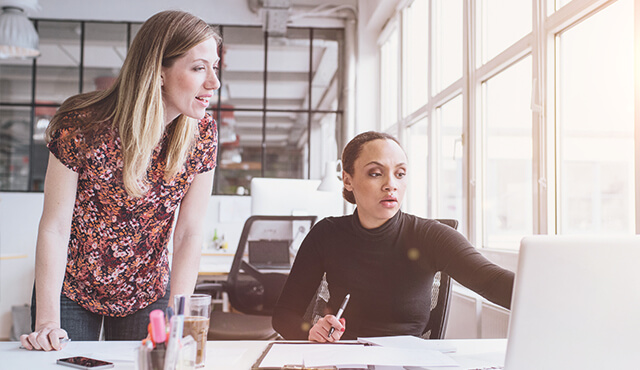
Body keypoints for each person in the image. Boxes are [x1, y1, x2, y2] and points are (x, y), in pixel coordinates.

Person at [20, 10, 221, 351]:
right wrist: (47, 321)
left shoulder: (202, 135)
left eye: (215, 67)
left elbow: (189, 232)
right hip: (71, 290)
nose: (214, 82)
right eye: (199, 68)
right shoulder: (80, 125)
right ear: (158, 71)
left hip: (148, 292)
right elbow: (55, 226)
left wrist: (178, 315)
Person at [272, 131, 515, 342]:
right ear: (348, 180)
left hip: (406, 362)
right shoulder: (326, 235)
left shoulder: (431, 236)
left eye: (400, 174)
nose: (391, 185)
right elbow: (283, 315)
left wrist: (547, 295)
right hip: (342, 359)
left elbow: (492, 281)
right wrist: (311, 330)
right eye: (376, 173)